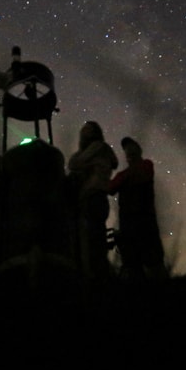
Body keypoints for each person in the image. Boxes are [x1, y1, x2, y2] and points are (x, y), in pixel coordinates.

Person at [107, 137, 167, 283]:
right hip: (135, 223)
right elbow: (111, 188)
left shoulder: (145, 166)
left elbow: (112, 186)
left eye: (131, 150)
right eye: (128, 151)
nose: (129, 153)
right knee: (136, 263)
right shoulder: (139, 169)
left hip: (142, 222)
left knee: (151, 262)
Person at [67, 121, 118, 285]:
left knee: (94, 241)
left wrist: (84, 162)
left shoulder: (98, 146)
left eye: (88, 129)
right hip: (92, 199)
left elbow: (74, 163)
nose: (85, 132)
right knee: (93, 241)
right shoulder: (97, 150)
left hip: (93, 198)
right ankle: (96, 278)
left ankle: (97, 280)